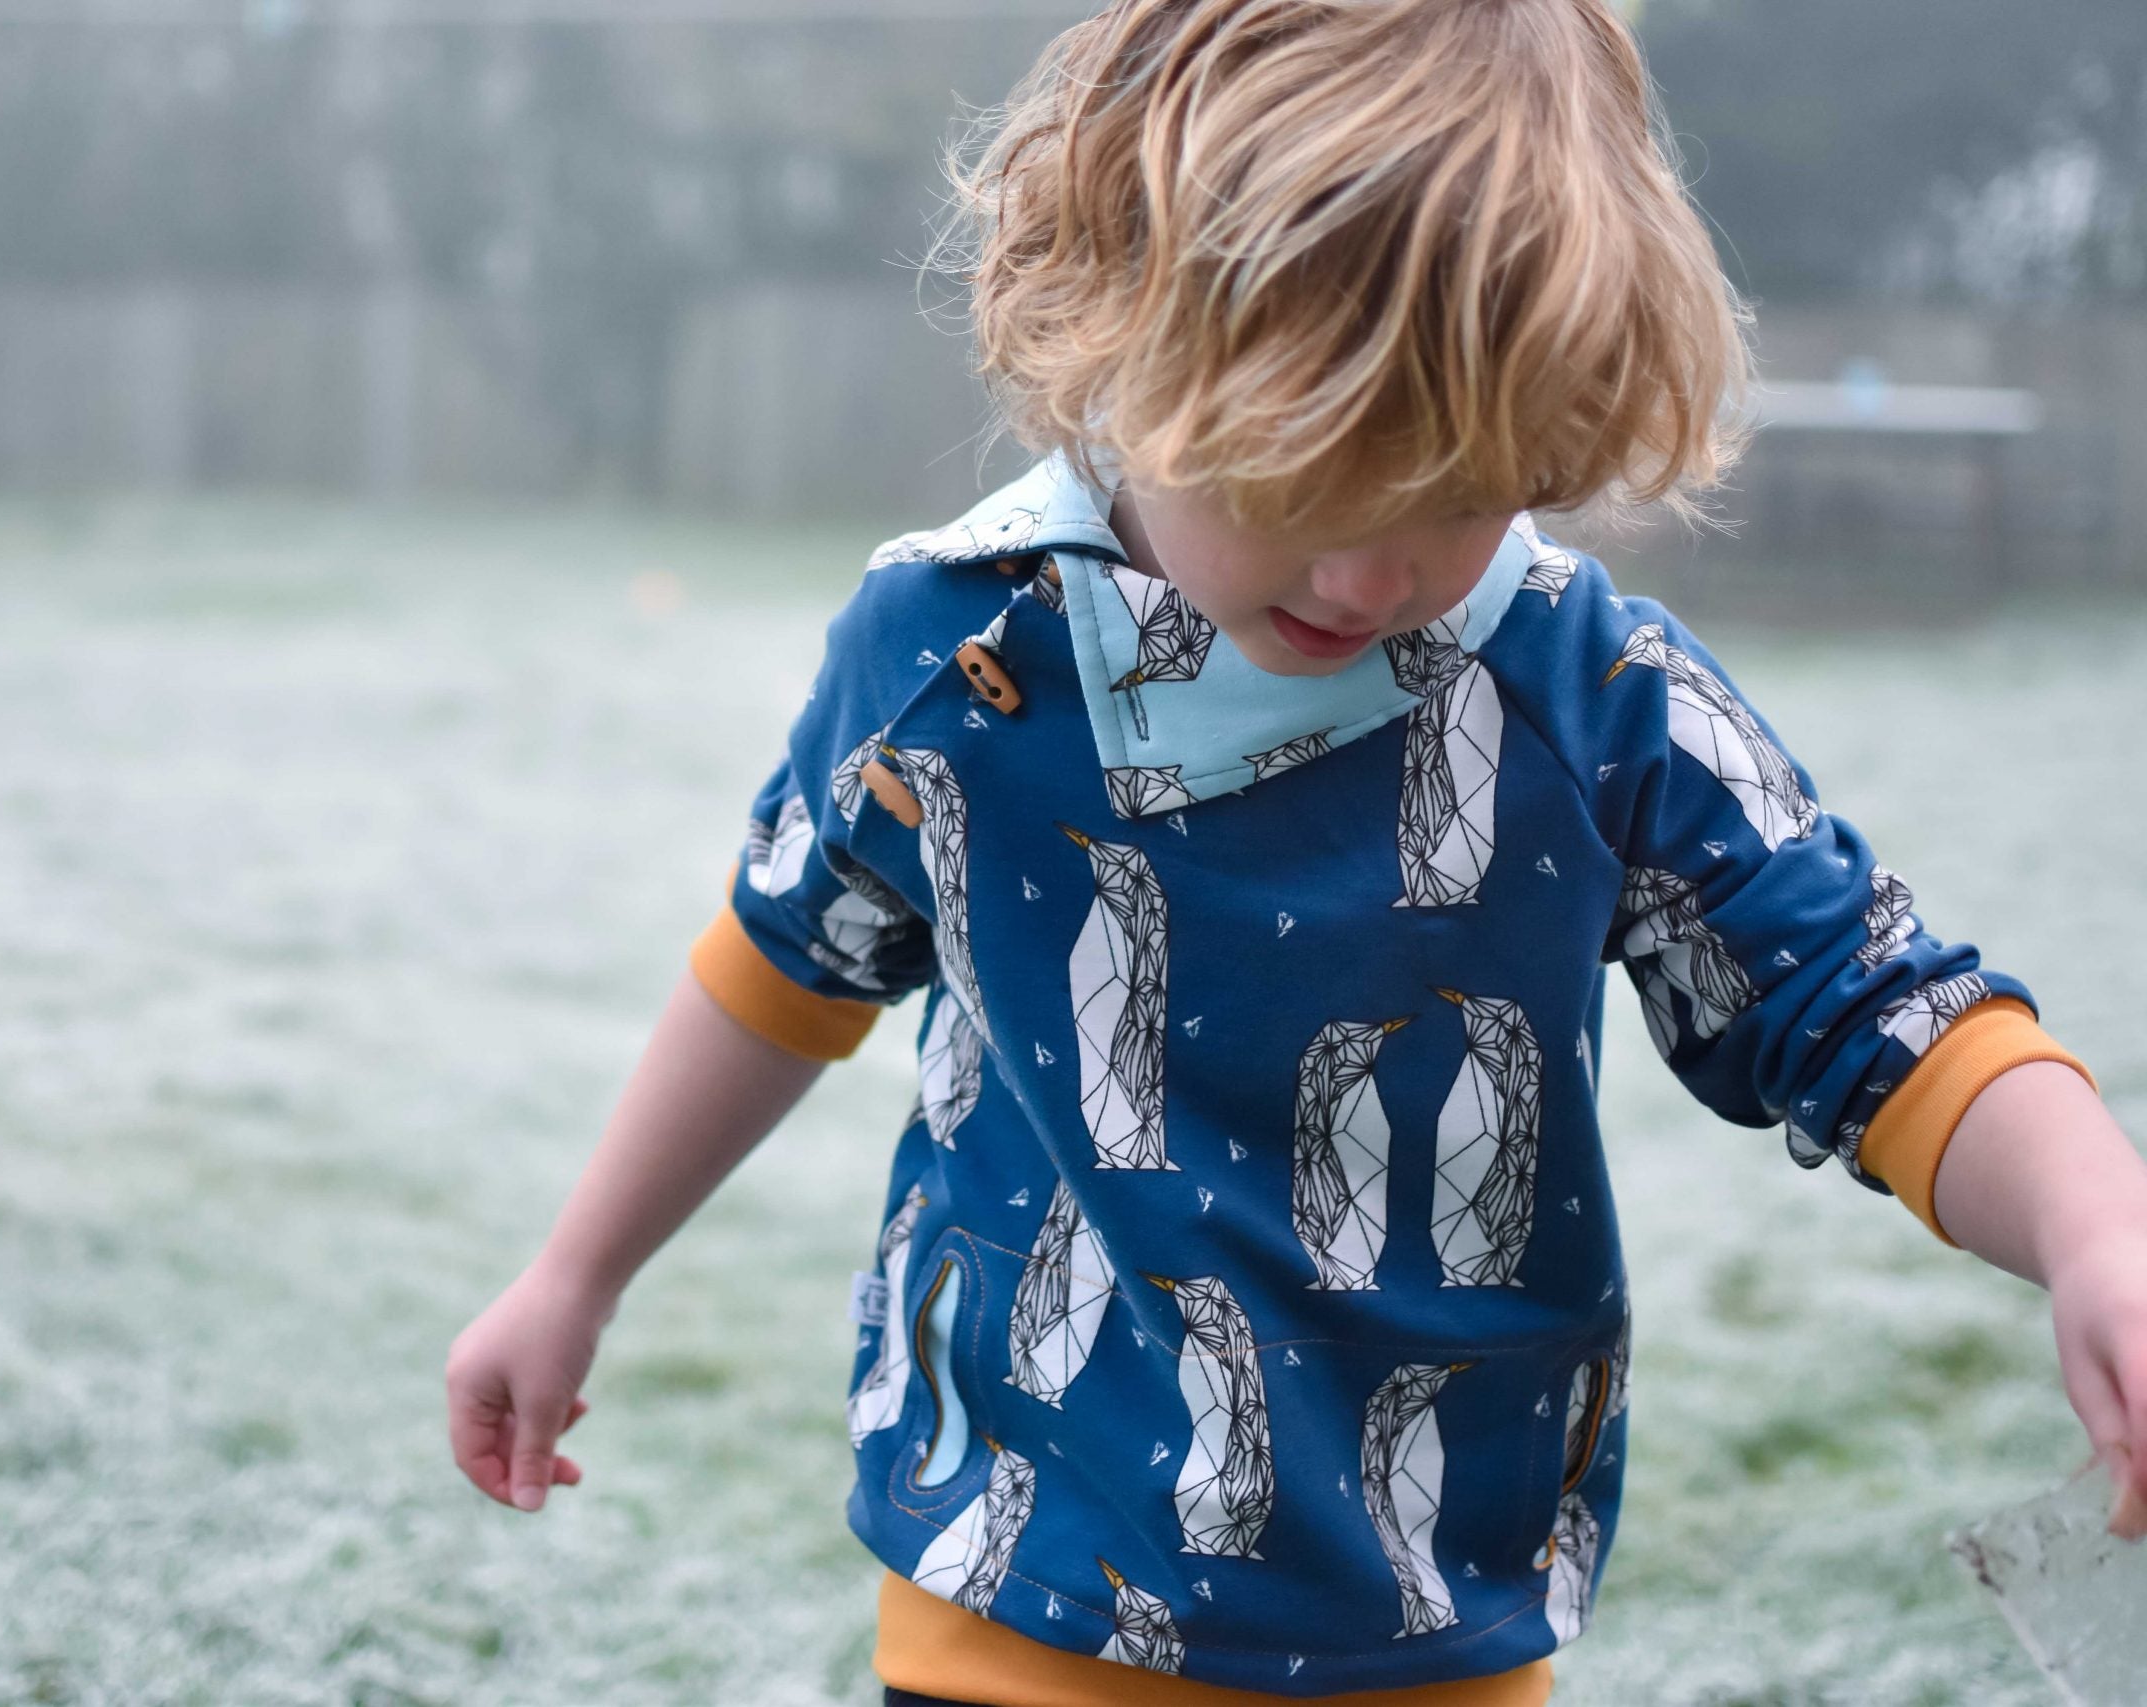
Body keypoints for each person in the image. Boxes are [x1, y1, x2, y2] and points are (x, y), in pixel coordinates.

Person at [446, 2, 2147, 1701]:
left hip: (1432, 1633)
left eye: (1463, 488)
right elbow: (782, 967)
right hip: (1007, 1609)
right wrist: (575, 1272)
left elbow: (1867, 1004)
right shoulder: (951, 661)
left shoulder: (1587, 693)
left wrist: (2096, 1224)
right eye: (1302, 476)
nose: (1366, 579)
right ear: (1132, 324)